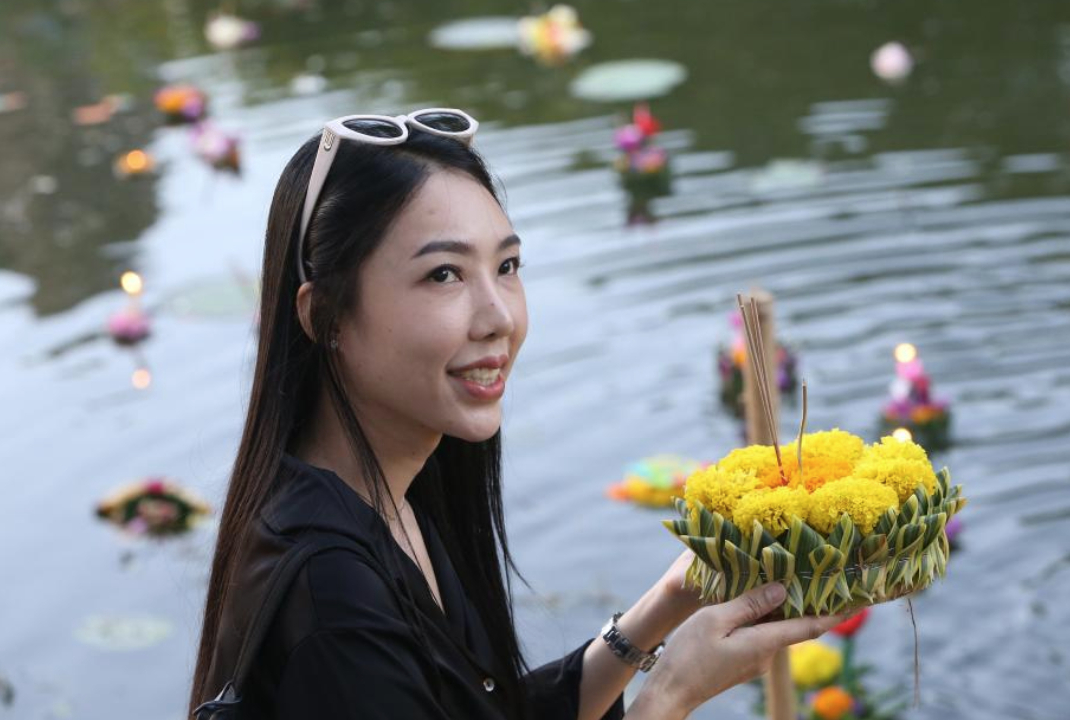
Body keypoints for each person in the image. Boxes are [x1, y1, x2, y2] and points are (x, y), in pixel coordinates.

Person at [188, 109, 850, 720]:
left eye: (506, 265)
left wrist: (664, 607)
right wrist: (669, 695)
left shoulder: (392, 504)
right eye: (444, 275)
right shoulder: (334, 606)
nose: (499, 316)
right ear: (324, 316)